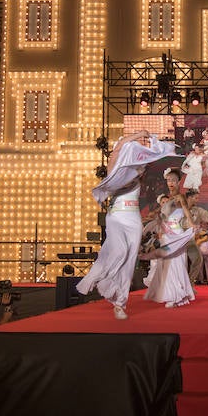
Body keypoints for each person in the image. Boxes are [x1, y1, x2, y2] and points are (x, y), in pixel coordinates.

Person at [77, 130, 177, 320]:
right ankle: (100, 275)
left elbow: (149, 155)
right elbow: (120, 147)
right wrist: (139, 133)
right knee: (120, 251)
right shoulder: (114, 169)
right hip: (116, 216)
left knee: (130, 260)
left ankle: (120, 303)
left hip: (133, 218)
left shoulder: (138, 169)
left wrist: (149, 145)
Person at [143, 168, 196, 308]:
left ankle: (177, 295)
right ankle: (174, 295)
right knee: (168, 266)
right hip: (166, 235)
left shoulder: (180, 197)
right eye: (168, 180)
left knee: (176, 265)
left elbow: (186, 211)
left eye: (173, 180)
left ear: (179, 181)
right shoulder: (167, 199)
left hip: (176, 235)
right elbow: (160, 215)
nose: (170, 183)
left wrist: (191, 224)